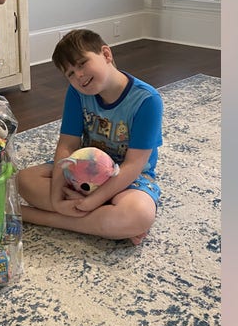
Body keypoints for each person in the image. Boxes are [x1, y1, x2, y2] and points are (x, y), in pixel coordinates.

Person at [17, 29, 163, 245]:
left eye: (82, 64)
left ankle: (36, 216)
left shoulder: (147, 100)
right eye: (70, 74)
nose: (78, 76)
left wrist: (93, 201)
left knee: (138, 214)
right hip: (83, 170)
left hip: (126, 178)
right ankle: (106, 223)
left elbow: (133, 166)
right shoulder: (77, 93)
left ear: (106, 54)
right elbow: (67, 145)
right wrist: (58, 199)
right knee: (23, 180)